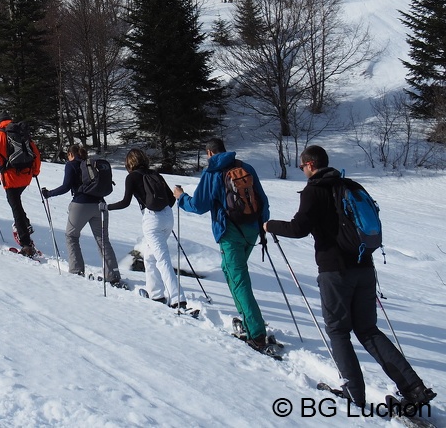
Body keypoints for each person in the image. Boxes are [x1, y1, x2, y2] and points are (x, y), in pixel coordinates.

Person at [264, 145, 437, 410]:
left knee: (338, 331)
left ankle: (354, 395)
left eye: (302, 167)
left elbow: (299, 228)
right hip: (365, 267)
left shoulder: (315, 190)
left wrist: (269, 225)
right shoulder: (350, 185)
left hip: (335, 271)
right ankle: (414, 388)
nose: (303, 171)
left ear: (310, 165)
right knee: (368, 330)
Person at [173, 137, 271, 353]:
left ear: (209, 153)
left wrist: (180, 198)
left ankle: (256, 333)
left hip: (229, 232)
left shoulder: (213, 172)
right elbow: (262, 199)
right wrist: (262, 226)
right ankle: (248, 319)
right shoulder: (245, 167)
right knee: (231, 271)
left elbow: (198, 205)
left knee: (239, 279)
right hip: (252, 230)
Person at [106, 148, 183, 306]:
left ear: (129, 163)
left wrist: (107, 207)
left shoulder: (132, 177)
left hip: (151, 220)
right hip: (168, 218)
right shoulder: (155, 174)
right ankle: (156, 294)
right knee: (149, 256)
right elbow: (171, 200)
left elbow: (125, 202)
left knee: (162, 259)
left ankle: (178, 299)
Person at [41, 144, 124, 286]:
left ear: (70, 155)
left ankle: (77, 270)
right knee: (103, 240)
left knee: (71, 236)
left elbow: (66, 186)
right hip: (100, 204)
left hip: (80, 204)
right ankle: (113, 275)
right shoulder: (91, 165)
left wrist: (49, 194)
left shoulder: (71, 165)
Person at [0, 113, 41, 257]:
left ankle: (26, 244)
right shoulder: (21, 131)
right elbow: (36, 154)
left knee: (15, 208)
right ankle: (25, 224)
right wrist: (35, 172)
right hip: (26, 176)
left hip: (11, 178)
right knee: (16, 203)